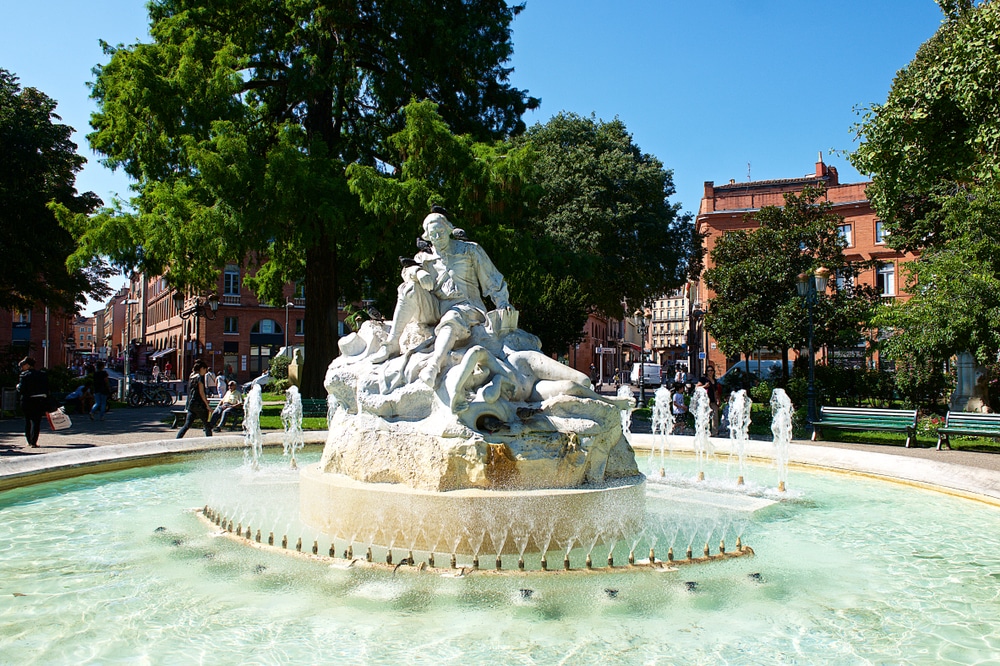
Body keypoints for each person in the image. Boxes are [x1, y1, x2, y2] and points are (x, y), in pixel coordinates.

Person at [368, 211, 512, 387]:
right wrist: (418, 272)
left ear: (449, 229)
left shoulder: (469, 250)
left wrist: (502, 302)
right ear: (427, 236)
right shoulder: (424, 257)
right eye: (433, 235)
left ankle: (434, 365)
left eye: (441, 232)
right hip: (435, 308)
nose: (437, 237)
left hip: (466, 306)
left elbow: (493, 279)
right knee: (408, 288)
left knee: (453, 317)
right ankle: (391, 344)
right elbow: (406, 272)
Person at [15, 357, 49, 447]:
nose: (22, 367)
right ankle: (34, 441)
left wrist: (18, 387)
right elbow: (47, 389)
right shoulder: (42, 375)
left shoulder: (24, 375)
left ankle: (29, 440)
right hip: (39, 400)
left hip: (27, 400)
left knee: (28, 420)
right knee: (36, 421)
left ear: (28, 365)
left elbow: (22, 389)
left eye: (23, 365)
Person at [177, 360, 213, 438]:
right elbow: (201, 392)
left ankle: (178, 439)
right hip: (199, 404)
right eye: (205, 370)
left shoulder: (191, 377)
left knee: (186, 425)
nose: (205, 372)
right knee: (207, 424)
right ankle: (210, 442)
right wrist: (207, 405)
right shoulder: (199, 377)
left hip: (191, 404)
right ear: (202, 368)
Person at [698, 366, 722, 435]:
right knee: (706, 417)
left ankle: (715, 432)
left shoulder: (715, 380)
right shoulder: (703, 379)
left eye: (711, 370)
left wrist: (718, 399)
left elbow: (716, 391)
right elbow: (697, 387)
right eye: (708, 371)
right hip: (705, 401)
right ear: (706, 372)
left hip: (713, 401)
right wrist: (704, 386)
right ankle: (705, 432)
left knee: (715, 417)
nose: (710, 372)